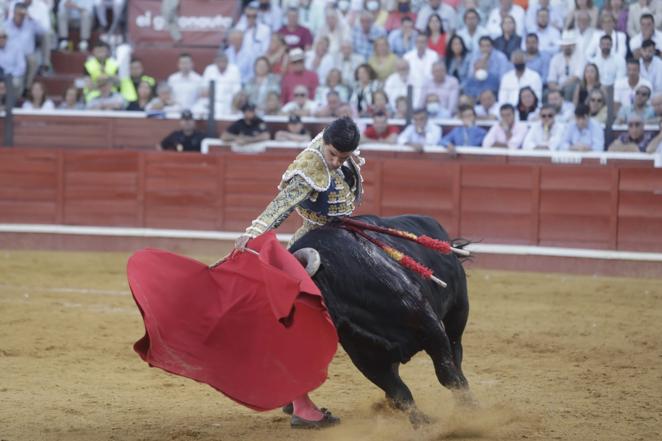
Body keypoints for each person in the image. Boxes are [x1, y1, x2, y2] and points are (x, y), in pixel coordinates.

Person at [233, 117, 362, 429]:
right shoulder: (309, 167)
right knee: (302, 325)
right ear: (324, 144)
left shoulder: (337, 141)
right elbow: (280, 207)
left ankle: (295, 399)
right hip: (314, 244)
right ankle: (302, 405)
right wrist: (252, 234)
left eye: (343, 158)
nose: (335, 162)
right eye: (332, 155)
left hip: (341, 237)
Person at [547, 31, 585, 101]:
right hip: (558, 86)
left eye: (570, 45)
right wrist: (555, 88)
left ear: (574, 45)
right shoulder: (556, 58)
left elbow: (576, 77)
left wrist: (561, 86)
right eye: (565, 45)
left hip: (574, 85)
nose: (567, 47)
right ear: (562, 46)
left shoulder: (580, 57)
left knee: (569, 89)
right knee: (546, 93)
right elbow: (551, 78)